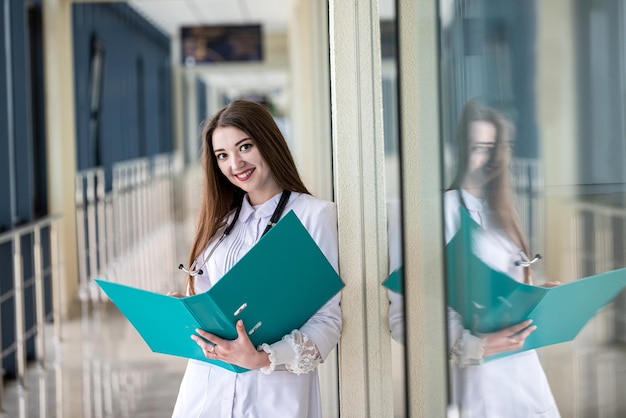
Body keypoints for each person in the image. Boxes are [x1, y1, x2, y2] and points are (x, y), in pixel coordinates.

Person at [170, 99, 342, 418]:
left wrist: (263, 358)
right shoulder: (220, 226)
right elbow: (210, 302)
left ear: (268, 142)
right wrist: (187, 310)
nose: (235, 164)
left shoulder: (314, 216)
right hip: (208, 389)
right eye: (222, 155)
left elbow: (328, 320)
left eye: (244, 147)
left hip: (274, 394)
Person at [444, 99, 560, 417]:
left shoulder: (502, 215)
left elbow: (511, 287)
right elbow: (426, 308)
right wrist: (476, 344)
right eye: (479, 147)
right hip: (482, 372)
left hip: (523, 365)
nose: (488, 160)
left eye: (494, 149)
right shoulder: (445, 211)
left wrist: (541, 297)